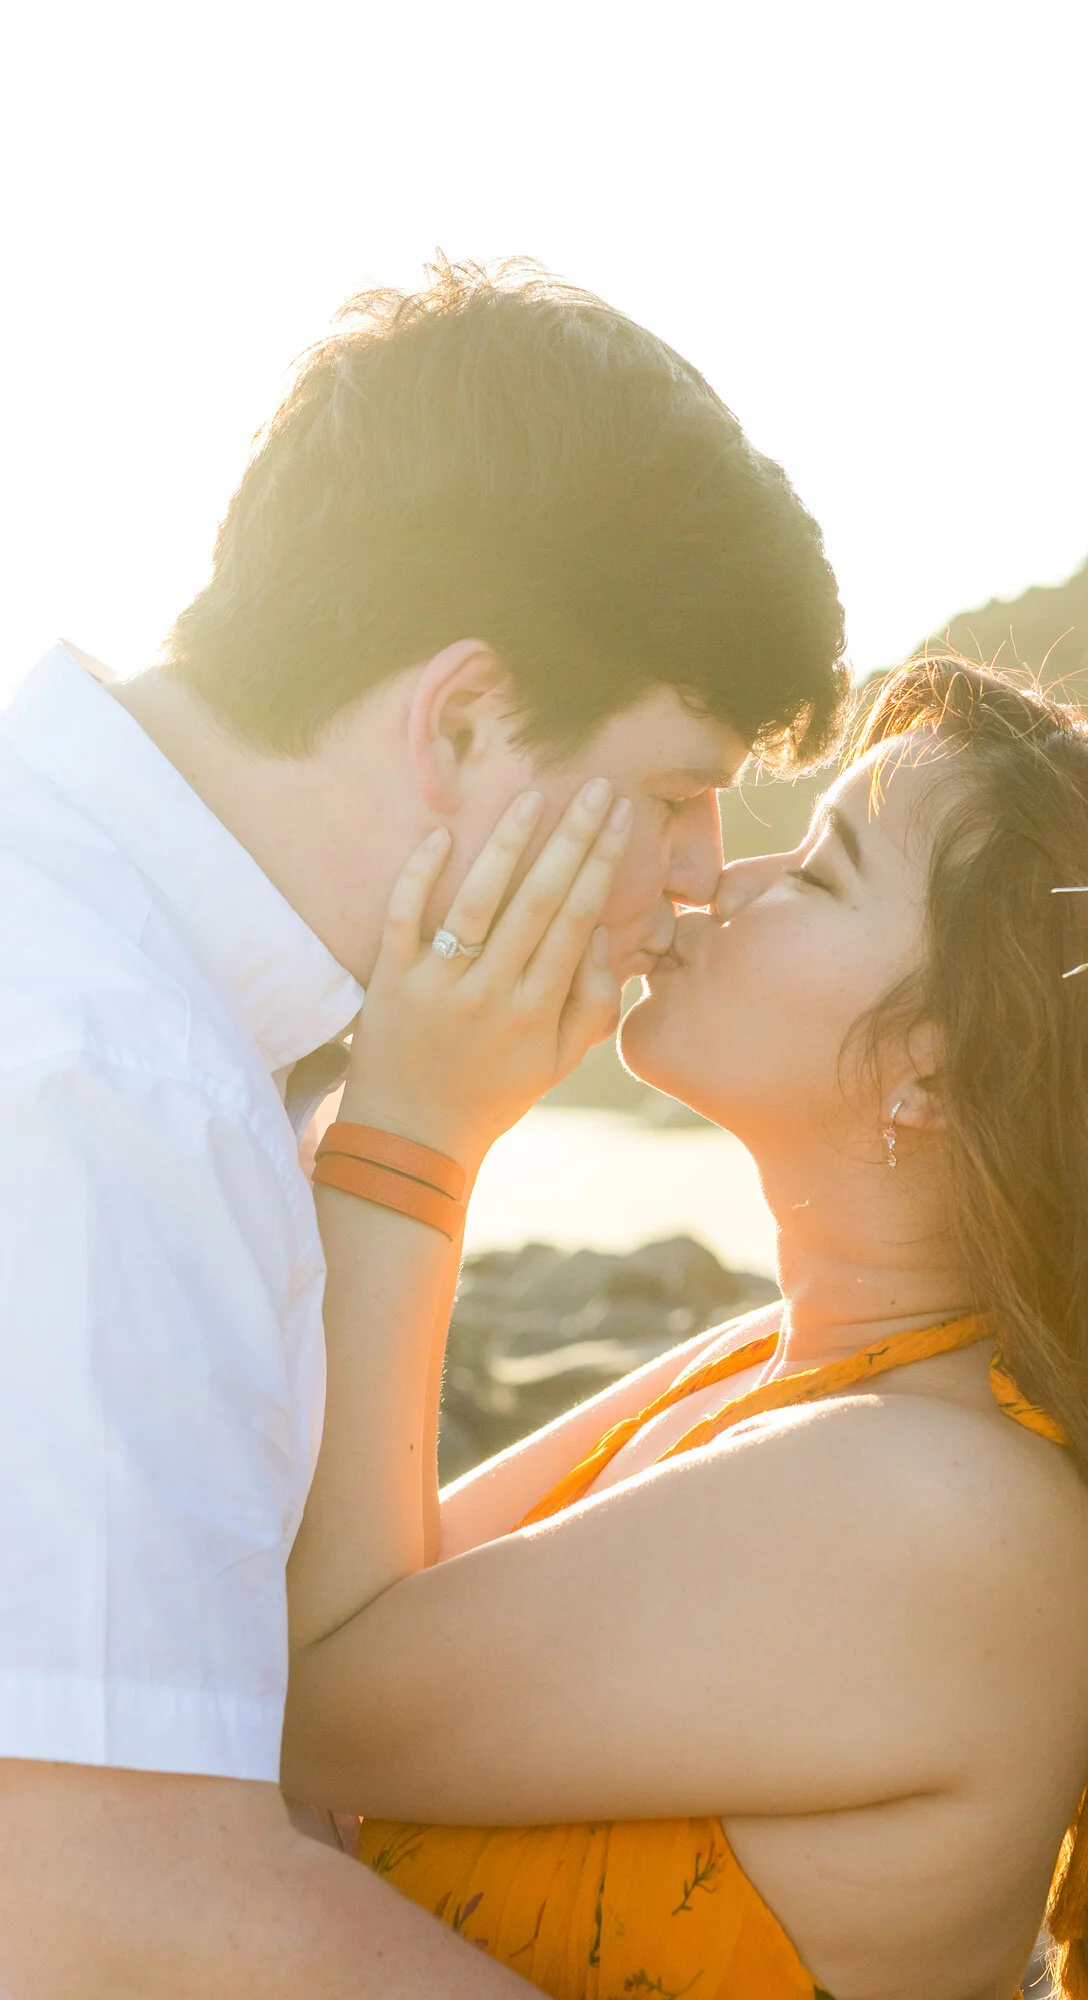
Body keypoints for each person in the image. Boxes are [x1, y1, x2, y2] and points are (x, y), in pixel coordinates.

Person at [0, 258, 846, 1996]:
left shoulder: (135, 992)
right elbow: (95, 1908)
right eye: (680, 788)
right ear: (461, 720)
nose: (696, 879)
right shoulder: (98, 1073)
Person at [282, 656, 1088, 2000]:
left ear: (937, 1070)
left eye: (823, 870)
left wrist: (416, 1129)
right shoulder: (789, 1370)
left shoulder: (941, 1503)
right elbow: (340, 1597)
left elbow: (312, 1701)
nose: (714, 883)